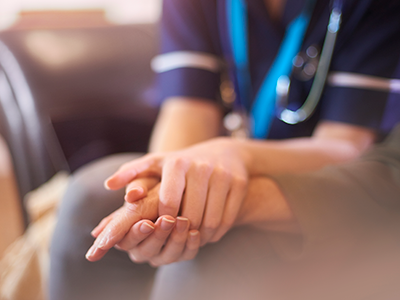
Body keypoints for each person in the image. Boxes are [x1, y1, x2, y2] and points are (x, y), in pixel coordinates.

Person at [49, 0, 400, 299]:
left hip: (327, 180)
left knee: (212, 250)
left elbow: (346, 147)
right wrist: (166, 190)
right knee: (88, 194)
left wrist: (236, 156)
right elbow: (187, 108)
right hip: (227, 158)